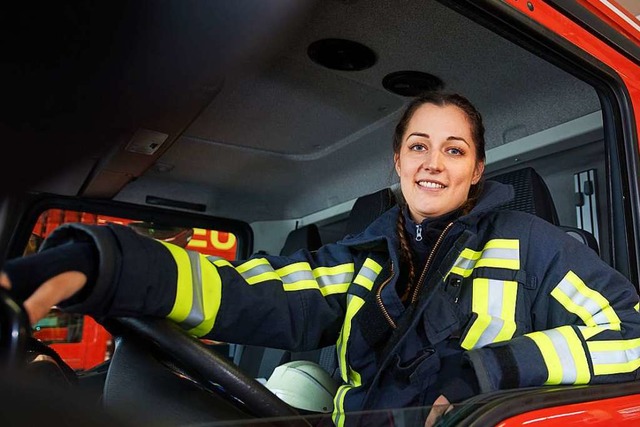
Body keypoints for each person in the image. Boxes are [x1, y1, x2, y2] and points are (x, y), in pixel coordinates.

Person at [2, 91, 640, 427]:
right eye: (419, 145)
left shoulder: (531, 243)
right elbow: (248, 291)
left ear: (475, 170)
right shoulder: (362, 256)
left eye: (453, 149)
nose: (432, 162)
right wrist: (102, 263)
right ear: (397, 164)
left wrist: (485, 375)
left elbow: (631, 332)